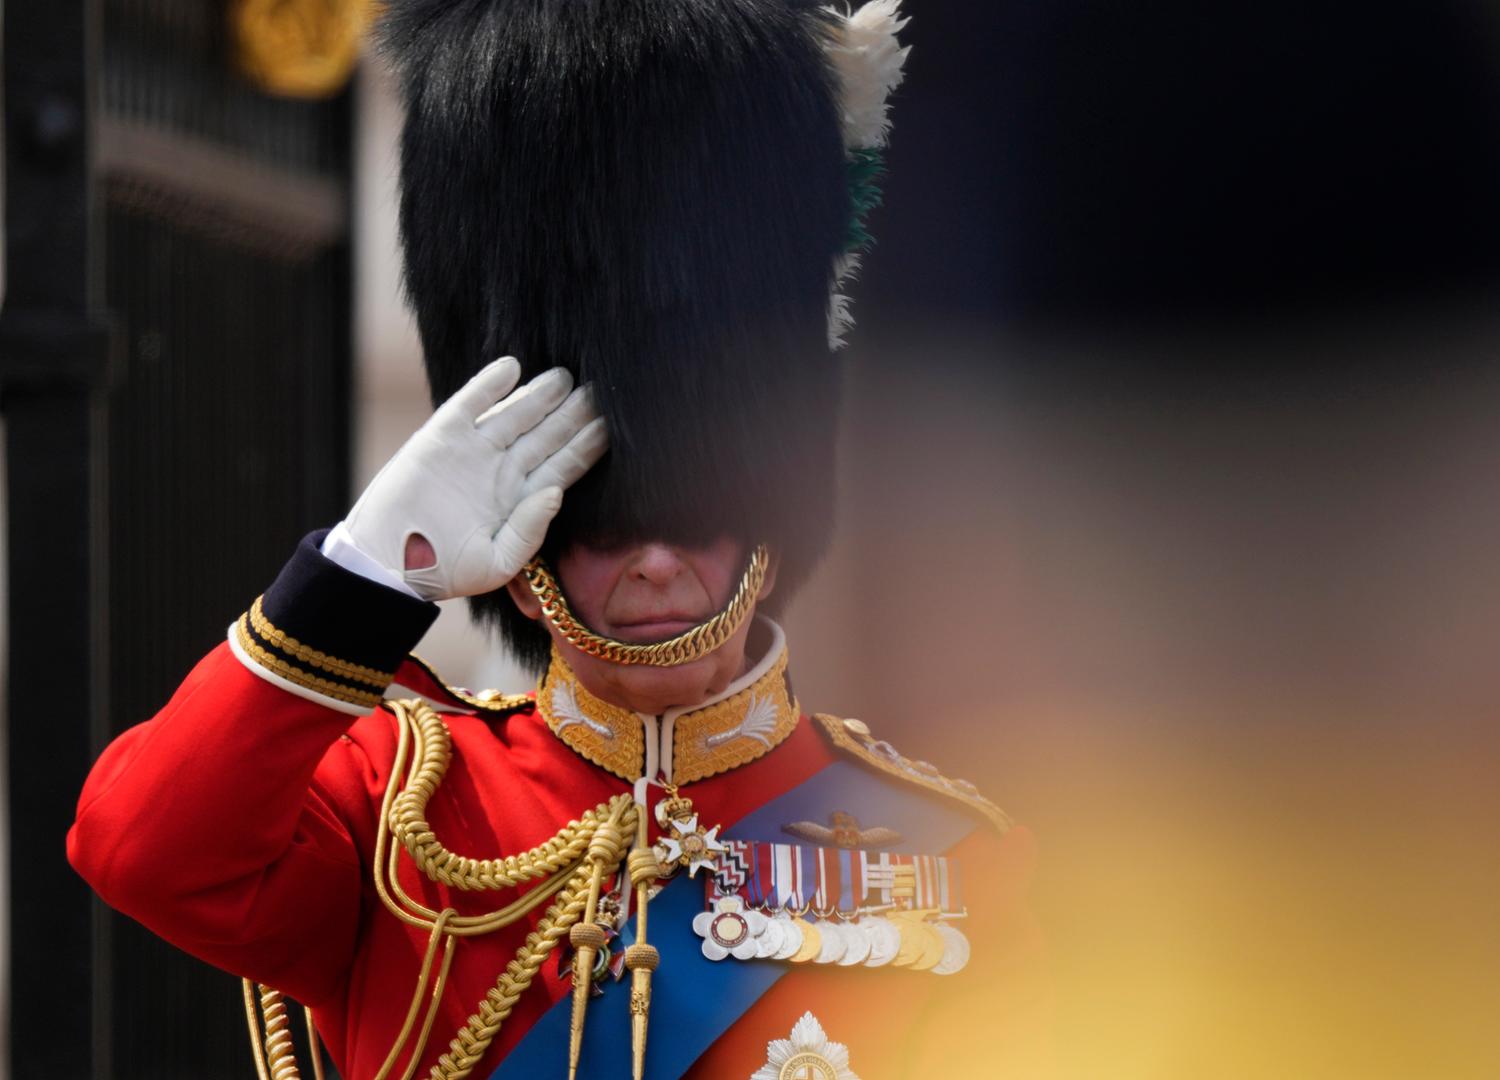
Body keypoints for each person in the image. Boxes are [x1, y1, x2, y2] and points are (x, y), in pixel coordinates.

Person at [67, 1, 1043, 1077]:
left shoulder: (949, 853)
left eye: (698, 507)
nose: (658, 560)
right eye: (602, 525)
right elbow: (142, 851)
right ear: (523, 564)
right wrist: (366, 574)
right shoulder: (397, 808)